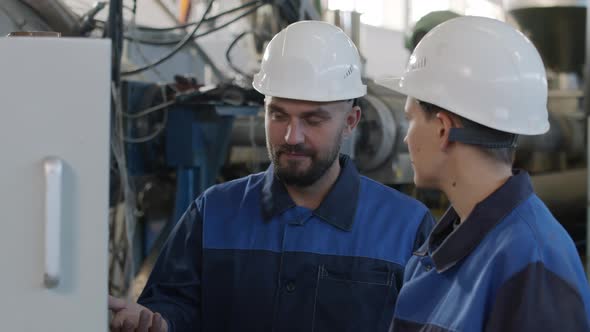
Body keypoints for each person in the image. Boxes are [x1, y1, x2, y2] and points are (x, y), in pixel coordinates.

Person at [109, 20, 434, 332]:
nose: (292, 136)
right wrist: (157, 322)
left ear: (351, 121)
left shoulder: (405, 227)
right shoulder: (214, 213)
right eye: (278, 115)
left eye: (313, 120)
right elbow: (175, 306)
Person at [376, 16, 590, 331]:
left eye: (410, 119)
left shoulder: (533, 268)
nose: (406, 138)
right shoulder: (443, 245)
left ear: (442, 129)